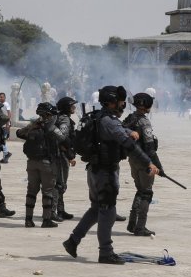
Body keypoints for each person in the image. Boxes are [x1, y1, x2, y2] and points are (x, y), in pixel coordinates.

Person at [62, 85, 159, 265]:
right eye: (121, 102)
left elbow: (119, 130)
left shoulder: (99, 116)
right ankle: (106, 252)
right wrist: (149, 163)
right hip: (105, 173)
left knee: (96, 209)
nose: (123, 105)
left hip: (94, 170)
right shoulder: (109, 121)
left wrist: (129, 131)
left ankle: (73, 241)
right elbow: (128, 144)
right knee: (108, 211)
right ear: (112, 102)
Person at [16, 102, 65, 228]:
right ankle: (46, 220)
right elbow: (63, 139)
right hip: (46, 164)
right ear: (48, 115)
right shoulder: (51, 128)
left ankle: (28, 219)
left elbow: (19, 133)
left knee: (31, 191)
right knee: (48, 191)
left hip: (31, 162)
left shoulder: (34, 126)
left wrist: (33, 125)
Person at [123, 92, 164, 237]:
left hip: (133, 159)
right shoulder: (144, 122)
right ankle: (140, 227)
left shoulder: (130, 118)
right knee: (146, 193)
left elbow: (121, 129)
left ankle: (132, 223)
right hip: (145, 161)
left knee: (140, 190)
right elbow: (150, 148)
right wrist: (159, 167)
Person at [53, 96, 77, 221]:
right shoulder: (65, 120)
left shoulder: (57, 117)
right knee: (60, 184)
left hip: (58, 154)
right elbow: (62, 138)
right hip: (60, 155)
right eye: (72, 105)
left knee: (60, 183)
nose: (74, 107)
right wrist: (70, 155)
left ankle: (60, 210)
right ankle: (53, 211)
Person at [0, 92, 13, 163]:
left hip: (5, 125)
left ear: (4, 98)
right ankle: (5, 158)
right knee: (2, 141)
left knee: (2, 140)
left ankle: (6, 153)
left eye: (1, 97)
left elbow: (9, 114)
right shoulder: (0, 105)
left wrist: (7, 124)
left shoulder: (6, 104)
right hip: (2, 125)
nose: (0, 98)